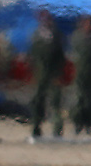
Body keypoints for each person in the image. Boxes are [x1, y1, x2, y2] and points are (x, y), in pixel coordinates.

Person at [28, 11, 67, 139]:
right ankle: (36, 127)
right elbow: (32, 56)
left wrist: (59, 73)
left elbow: (60, 57)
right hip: (40, 75)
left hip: (53, 74)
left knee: (56, 103)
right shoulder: (36, 36)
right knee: (38, 102)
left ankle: (57, 130)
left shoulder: (56, 36)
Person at [69, 15, 91, 135]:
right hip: (80, 73)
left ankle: (89, 124)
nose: (89, 26)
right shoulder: (77, 38)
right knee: (78, 98)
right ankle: (78, 123)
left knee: (90, 100)